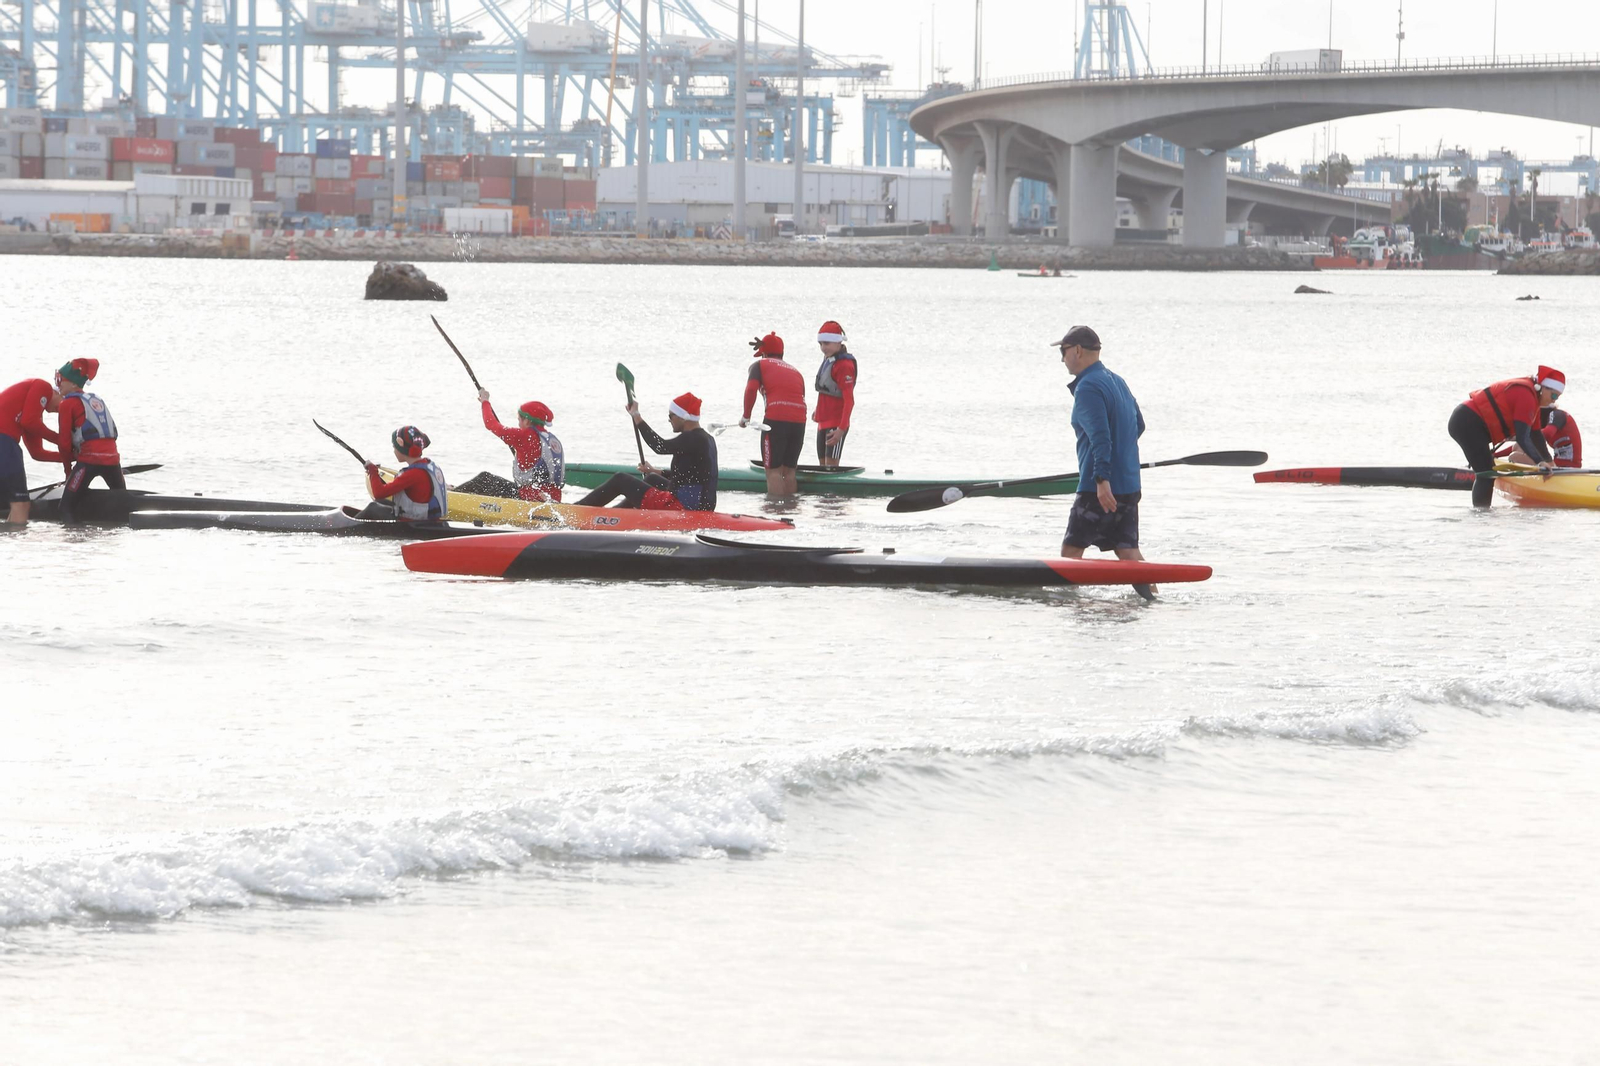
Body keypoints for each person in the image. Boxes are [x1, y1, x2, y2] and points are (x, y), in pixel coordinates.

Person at [1054, 325, 1153, 600]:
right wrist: (1122, 460)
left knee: (1071, 553)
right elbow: (1139, 425)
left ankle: (1074, 610)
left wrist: (1101, 479)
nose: (1062, 359)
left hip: (1098, 489)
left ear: (1077, 350)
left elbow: (1100, 438)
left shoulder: (1087, 387)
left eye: (1063, 352)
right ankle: (1152, 602)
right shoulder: (1117, 381)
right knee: (1129, 553)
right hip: (1129, 484)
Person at [576, 393, 718, 511]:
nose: (669, 420)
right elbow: (692, 475)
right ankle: (617, 514)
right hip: (700, 503)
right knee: (651, 478)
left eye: (671, 416)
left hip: (683, 506)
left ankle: (577, 510)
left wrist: (637, 417)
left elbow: (659, 446)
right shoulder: (707, 439)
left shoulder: (691, 438)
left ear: (683, 416)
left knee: (620, 479)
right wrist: (656, 471)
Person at [1449, 366, 1563, 508]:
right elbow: (1523, 437)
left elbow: (1535, 434)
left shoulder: (1534, 401)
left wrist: (1549, 461)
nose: (1553, 401)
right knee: (1486, 473)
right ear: (1542, 388)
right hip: (1466, 422)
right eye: (1553, 396)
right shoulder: (1526, 396)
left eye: (1557, 398)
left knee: (1486, 470)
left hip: (1472, 424)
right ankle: (1481, 517)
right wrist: (1540, 462)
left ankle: (1482, 514)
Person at [54, 358, 125, 523]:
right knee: (123, 502)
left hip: (88, 462)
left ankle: (74, 541)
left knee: (65, 508)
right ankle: (120, 534)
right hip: (113, 461)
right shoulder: (96, 399)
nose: (59, 384)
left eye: (61, 380)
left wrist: (68, 472)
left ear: (73, 384)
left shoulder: (67, 404)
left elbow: (64, 444)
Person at [741, 331, 808, 498]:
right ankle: (790, 511)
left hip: (775, 421)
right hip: (799, 421)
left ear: (763, 353)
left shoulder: (759, 365)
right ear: (782, 353)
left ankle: (776, 514)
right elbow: (802, 396)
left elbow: (751, 389)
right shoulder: (796, 371)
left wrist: (746, 416)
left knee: (773, 472)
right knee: (789, 471)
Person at [478, 388, 564, 502]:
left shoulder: (525, 435)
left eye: (519, 420)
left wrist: (485, 401)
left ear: (527, 421)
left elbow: (491, 424)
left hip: (530, 498)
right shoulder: (553, 440)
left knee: (484, 478)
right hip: (554, 498)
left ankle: (452, 498)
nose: (518, 424)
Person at [1, 375, 63, 527]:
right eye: (65, 401)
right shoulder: (43, 386)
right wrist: (61, 440)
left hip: (5, 442)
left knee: (13, 504)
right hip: (4, 440)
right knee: (21, 503)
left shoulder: (31, 416)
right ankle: (17, 547)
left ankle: (7, 541)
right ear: (57, 392)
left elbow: (37, 453)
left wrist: (71, 456)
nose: (60, 410)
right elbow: (29, 421)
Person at [364, 425, 448, 521]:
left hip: (414, 524)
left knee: (372, 508)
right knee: (381, 502)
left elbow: (378, 493)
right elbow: (386, 493)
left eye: (394, 446)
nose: (394, 450)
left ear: (401, 447)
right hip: (431, 520)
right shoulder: (431, 466)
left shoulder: (413, 474)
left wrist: (373, 472)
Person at [813, 320, 858, 467]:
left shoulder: (844, 365)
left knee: (831, 466)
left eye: (826, 343)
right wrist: (817, 411)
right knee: (822, 466)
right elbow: (827, 390)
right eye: (820, 344)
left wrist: (841, 429)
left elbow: (849, 400)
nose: (823, 348)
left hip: (836, 423)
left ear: (838, 342)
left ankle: (835, 491)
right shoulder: (828, 360)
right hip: (823, 422)